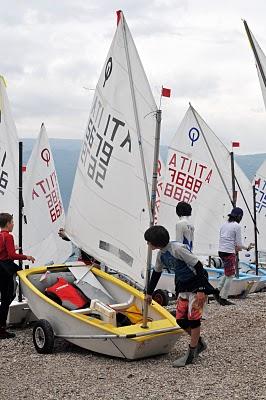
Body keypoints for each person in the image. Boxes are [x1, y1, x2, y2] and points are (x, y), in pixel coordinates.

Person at [144, 225, 217, 367]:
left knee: (194, 319)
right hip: (183, 286)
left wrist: (202, 290)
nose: (148, 244)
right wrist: (149, 293)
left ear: (156, 242)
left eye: (149, 241)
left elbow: (198, 266)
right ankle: (199, 343)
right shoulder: (161, 255)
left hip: (197, 283)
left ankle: (191, 353)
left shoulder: (177, 249)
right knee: (180, 320)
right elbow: (156, 273)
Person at [0, 213, 35, 339]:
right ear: (8, 223)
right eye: (12, 222)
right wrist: (27, 257)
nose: (13, 224)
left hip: (2, 267)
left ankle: (1, 326)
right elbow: (12, 256)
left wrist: (12, 249)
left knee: (7, 296)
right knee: (7, 298)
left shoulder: (0, 236)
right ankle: (1, 329)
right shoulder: (8, 236)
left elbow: (5, 251)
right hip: (5, 268)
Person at [216, 207, 254, 306]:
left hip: (221, 251)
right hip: (228, 252)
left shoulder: (224, 225)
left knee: (227, 272)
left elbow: (225, 239)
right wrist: (247, 248)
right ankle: (223, 298)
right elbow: (239, 244)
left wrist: (236, 247)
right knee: (230, 275)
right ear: (239, 217)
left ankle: (216, 291)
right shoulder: (237, 226)